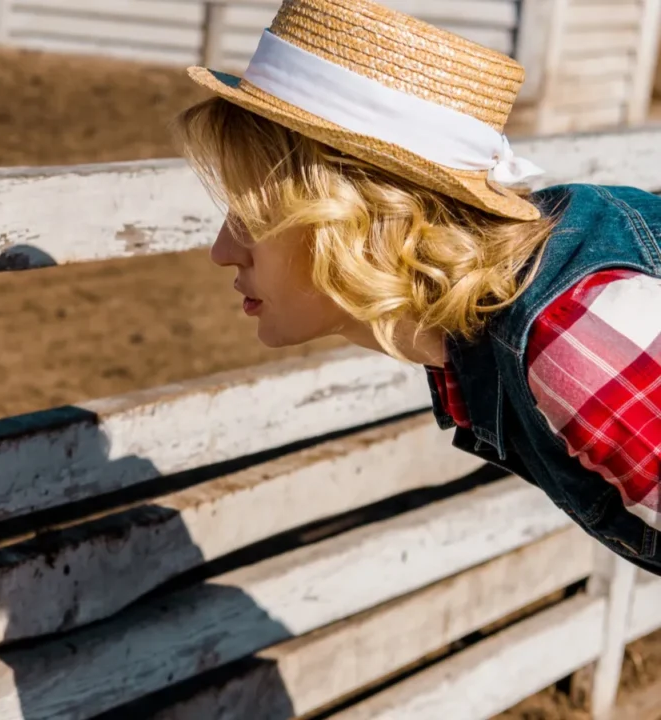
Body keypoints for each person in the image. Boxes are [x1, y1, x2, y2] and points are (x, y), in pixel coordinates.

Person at [175, 0, 661, 573]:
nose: (221, 252)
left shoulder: (573, 343)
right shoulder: (519, 319)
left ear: (360, 224)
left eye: (253, 218)